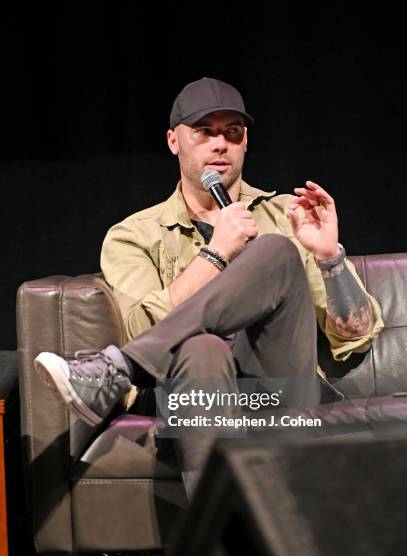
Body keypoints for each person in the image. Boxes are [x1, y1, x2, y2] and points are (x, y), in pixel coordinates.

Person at [34, 77, 383, 488]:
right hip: (193, 392)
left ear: (246, 141)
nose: (220, 144)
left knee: (273, 249)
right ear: (173, 141)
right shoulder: (134, 235)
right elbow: (146, 332)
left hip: (275, 392)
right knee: (200, 347)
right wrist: (216, 254)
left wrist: (329, 258)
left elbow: (355, 338)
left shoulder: (288, 214)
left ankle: (117, 369)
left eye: (232, 133)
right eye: (204, 132)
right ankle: (217, 545)